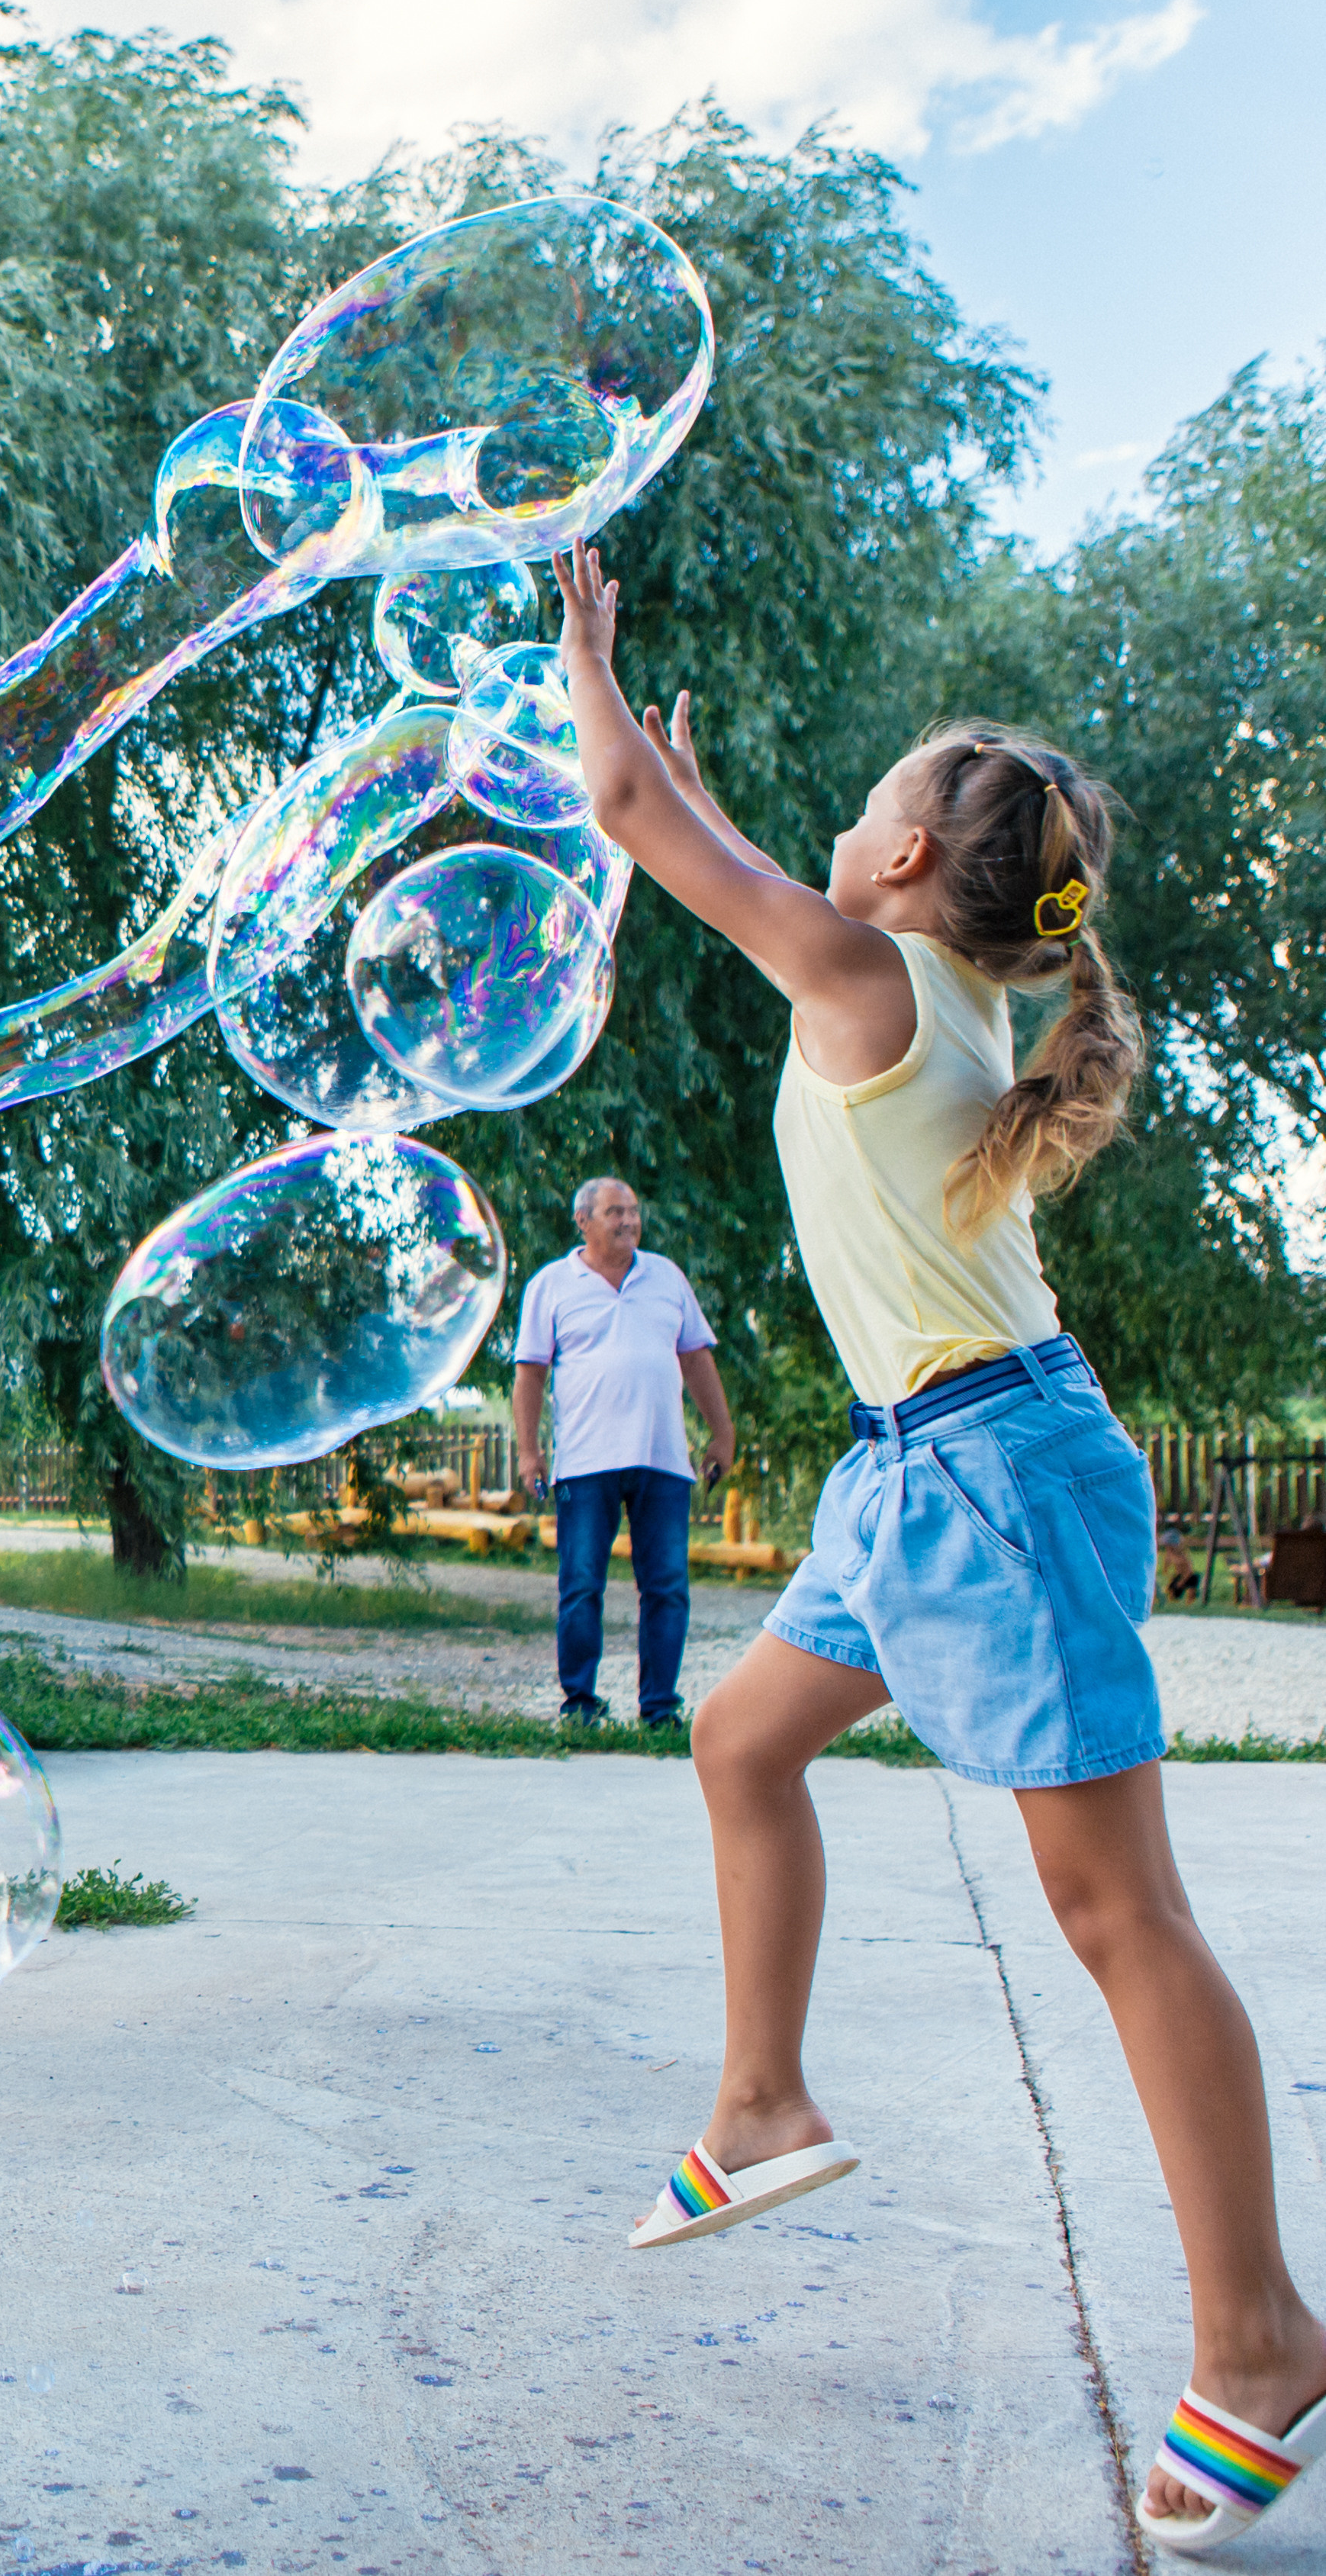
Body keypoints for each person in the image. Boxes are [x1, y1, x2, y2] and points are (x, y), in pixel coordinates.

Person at [552, 536, 1326, 2558]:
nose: (852, 820)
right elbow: (718, 861)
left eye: (878, 801)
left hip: (992, 1475)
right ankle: (758, 2105)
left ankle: (1254, 2334)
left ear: (901, 864)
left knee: (1113, 1912)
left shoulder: (875, 977)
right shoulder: (935, 980)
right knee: (739, 1739)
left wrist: (590, 659)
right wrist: (693, 796)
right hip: (920, 1469)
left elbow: (625, 817)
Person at [513, 1176, 734, 1728]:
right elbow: (530, 1374)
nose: (628, 1221)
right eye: (615, 1212)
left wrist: (722, 1434)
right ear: (582, 1221)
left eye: (633, 1211)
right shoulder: (551, 1285)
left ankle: (659, 1707)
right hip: (585, 1464)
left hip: (662, 1460)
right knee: (581, 1585)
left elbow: (697, 1359)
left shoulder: (665, 1277)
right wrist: (528, 1451)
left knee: (665, 1587)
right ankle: (579, 1703)